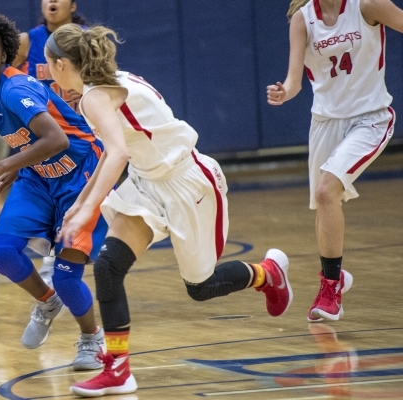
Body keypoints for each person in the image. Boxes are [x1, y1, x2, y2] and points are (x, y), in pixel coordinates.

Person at [45, 24, 294, 397]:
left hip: (187, 183)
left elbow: (118, 155)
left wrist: (87, 211)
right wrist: (79, 205)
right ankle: (118, 370)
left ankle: (267, 274)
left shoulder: (95, 97)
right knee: (109, 267)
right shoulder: (106, 84)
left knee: (201, 287)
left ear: (62, 64)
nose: (46, 71)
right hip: (148, 183)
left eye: (48, 65)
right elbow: (114, 155)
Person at [0, 9, 108, 371]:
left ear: (6, 54)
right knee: (2, 252)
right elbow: (31, 142)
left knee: (67, 276)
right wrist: (9, 175)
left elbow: (55, 139)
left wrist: (0, 166)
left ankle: (93, 339)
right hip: (39, 177)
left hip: (81, 175)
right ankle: (46, 302)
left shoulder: (15, 88)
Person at [267, 0, 402, 323]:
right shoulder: (303, 19)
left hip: (370, 118)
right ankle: (335, 278)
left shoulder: (368, 5)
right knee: (324, 201)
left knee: (327, 191)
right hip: (326, 122)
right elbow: (295, 80)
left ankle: (330, 289)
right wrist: (284, 91)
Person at [0, 0, 87, 308]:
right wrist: (10, 165)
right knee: (49, 235)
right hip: (42, 143)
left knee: (67, 236)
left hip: (79, 143)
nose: (51, 1)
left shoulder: (87, 40)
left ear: (73, 5)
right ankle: (4, 266)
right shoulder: (27, 43)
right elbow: (9, 87)